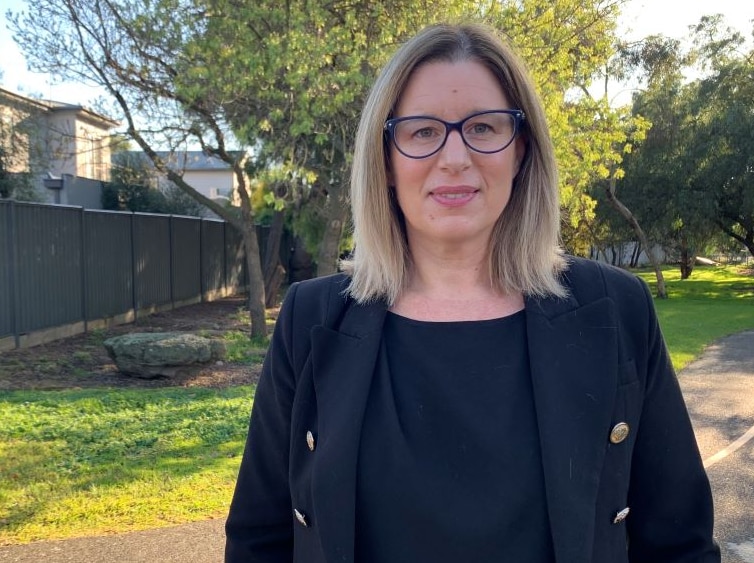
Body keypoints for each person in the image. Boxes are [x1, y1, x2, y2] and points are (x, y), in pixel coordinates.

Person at [225, 22, 720, 563]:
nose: (455, 157)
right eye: (422, 131)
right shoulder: (311, 319)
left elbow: (680, 544)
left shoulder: (616, 312)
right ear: (386, 159)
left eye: (483, 128)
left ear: (521, 150)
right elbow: (259, 539)